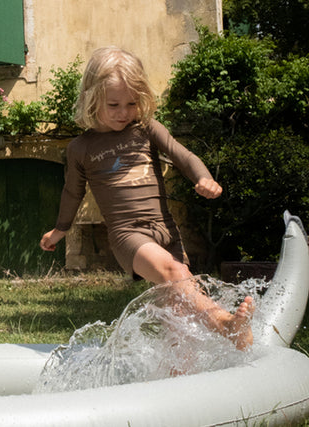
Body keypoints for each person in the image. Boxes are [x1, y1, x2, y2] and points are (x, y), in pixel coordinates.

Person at [40, 46, 254, 351]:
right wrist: (60, 229)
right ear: (91, 98)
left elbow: (184, 155)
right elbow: (73, 192)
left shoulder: (147, 130)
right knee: (175, 272)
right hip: (129, 235)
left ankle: (176, 382)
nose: (124, 112)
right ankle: (226, 325)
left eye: (131, 103)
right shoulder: (81, 148)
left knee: (179, 315)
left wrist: (203, 177)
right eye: (113, 104)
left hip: (167, 229)